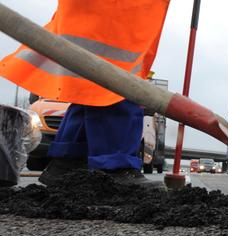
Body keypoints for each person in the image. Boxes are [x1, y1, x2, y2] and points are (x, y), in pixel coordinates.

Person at [0, 0, 170, 187]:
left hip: (100, 15)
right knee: (117, 80)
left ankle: (70, 161)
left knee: (93, 85)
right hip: (120, 14)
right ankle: (113, 165)